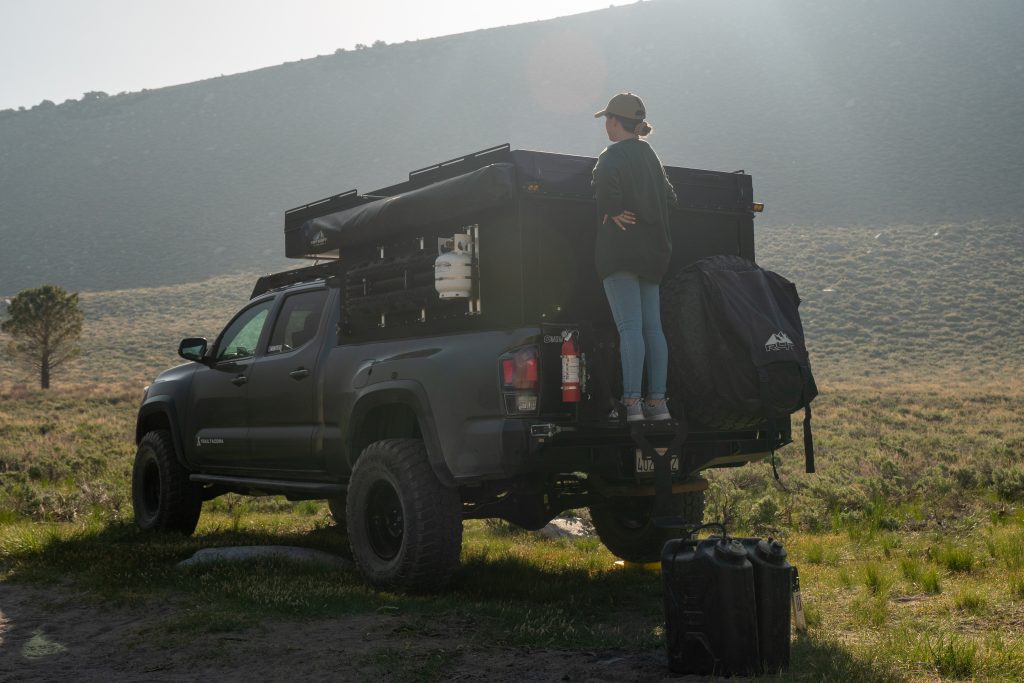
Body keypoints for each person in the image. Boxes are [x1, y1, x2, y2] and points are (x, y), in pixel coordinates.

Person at [592, 92, 678, 421]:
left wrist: (612, 211)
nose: (606, 126)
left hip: (620, 253)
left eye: (607, 120)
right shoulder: (651, 157)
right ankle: (658, 403)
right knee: (652, 329)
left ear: (615, 121)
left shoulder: (611, 156)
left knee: (629, 329)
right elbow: (671, 198)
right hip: (653, 255)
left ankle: (631, 403)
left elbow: (601, 189)